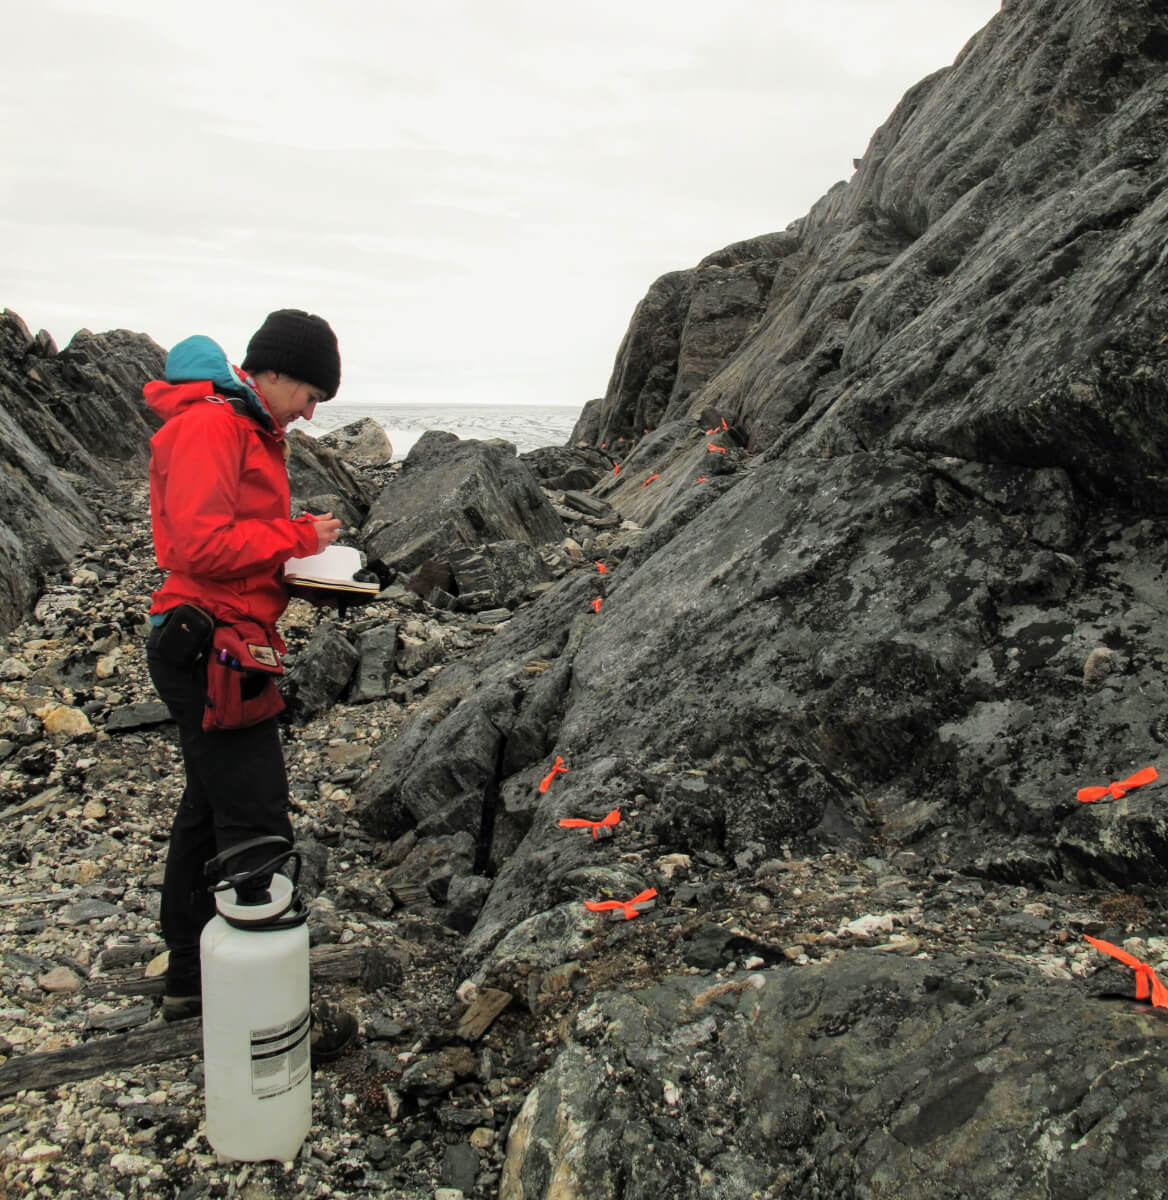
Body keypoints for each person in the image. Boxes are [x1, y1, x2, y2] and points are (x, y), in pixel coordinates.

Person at [143, 308, 356, 1061]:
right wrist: (299, 540)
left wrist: (296, 552)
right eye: (310, 394)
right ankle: (256, 999)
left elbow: (229, 531)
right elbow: (200, 542)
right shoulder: (213, 426)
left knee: (209, 805)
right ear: (273, 372)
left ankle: (190, 977)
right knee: (256, 812)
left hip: (227, 636)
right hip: (207, 646)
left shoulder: (244, 425)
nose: (310, 412)